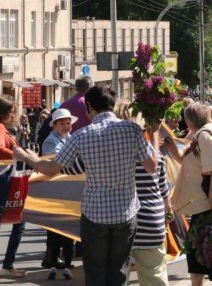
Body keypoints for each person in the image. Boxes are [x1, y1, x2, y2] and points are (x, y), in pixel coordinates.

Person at [14, 86, 160, 286]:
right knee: (118, 272)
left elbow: (51, 169)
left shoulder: (81, 135)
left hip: (94, 214)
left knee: (95, 272)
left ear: (89, 107)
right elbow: (152, 167)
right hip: (125, 213)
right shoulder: (132, 130)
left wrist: (27, 157)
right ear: (113, 104)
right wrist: (156, 136)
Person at [167, 103, 212, 286]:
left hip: (205, 205)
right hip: (200, 204)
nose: (183, 122)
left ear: (191, 119)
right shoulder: (204, 133)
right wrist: (174, 150)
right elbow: (195, 162)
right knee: (197, 256)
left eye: (185, 118)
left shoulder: (204, 135)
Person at [41, 109, 78, 280]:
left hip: (68, 189)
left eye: (67, 122)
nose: (65, 126)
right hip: (55, 190)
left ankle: (67, 263)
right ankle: (53, 264)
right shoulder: (51, 141)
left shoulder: (70, 138)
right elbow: (57, 159)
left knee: (68, 229)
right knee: (55, 230)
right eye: (62, 123)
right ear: (54, 125)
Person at [0, 98, 26, 278]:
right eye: (12, 111)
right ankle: (8, 265)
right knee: (19, 221)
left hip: (7, 181)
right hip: (4, 183)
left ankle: (8, 264)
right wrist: (20, 155)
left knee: (20, 221)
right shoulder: (0, 129)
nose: (14, 115)